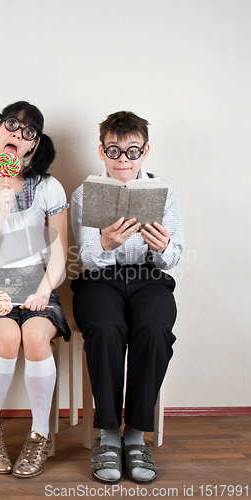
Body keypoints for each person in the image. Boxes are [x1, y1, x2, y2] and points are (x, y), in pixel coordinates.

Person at [0, 101, 70, 478]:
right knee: (7, 339)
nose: (17, 135)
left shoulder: (48, 187)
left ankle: (39, 435)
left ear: (33, 147)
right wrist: (2, 209)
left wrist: (44, 289)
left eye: (29, 133)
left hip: (38, 283)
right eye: (11, 126)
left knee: (36, 338)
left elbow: (59, 253)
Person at [71, 111, 183, 485]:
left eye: (132, 151)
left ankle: (135, 435)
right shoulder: (86, 193)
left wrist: (163, 246)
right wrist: (106, 243)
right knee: (105, 327)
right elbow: (86, 256)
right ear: (101, 151)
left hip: (148, 278)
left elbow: (175, 254)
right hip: (100, 280)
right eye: (114, 151)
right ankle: (108, 435)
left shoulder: (163, 191)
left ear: (145, 151)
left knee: (153, 328)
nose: (123, 159)